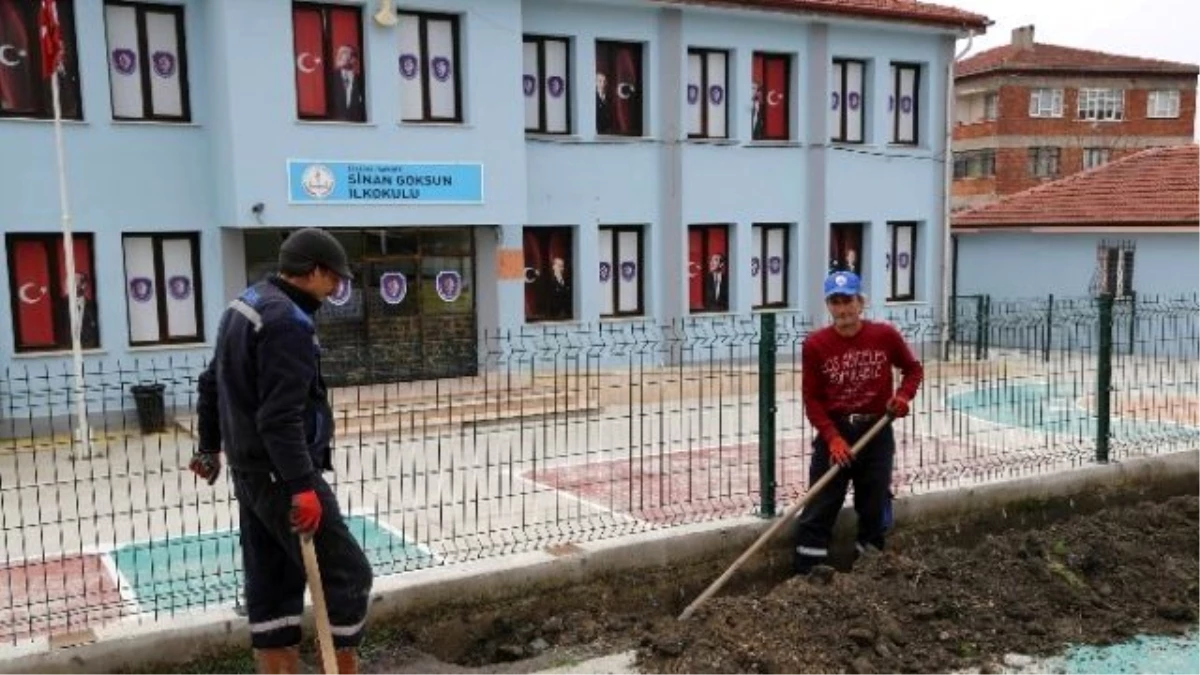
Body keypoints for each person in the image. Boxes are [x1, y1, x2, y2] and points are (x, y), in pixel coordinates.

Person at [191, 228, 373, 674]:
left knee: (273, 581)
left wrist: (209, 445)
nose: (335, 289)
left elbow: (211, 383)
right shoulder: (286, 322)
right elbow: (280, 417)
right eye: (334, 279)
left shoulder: (245, 304)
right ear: (313, 272)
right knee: (348, 575)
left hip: (251, 476)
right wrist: (301, 486)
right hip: (282, 477)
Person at [793, 270, 923, 576]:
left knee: (874, 503)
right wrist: (832, 438)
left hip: (876, 431)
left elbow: (913, 370)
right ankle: (808, 575)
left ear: (860, 302)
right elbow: (812, 400)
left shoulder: (885, 336)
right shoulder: (816, 345)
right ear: (828, 306)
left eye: (848, 300)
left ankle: (870, 570)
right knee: (821, 504)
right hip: (836, 433)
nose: (843, 309)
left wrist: (902, 398)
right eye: (835, 302)